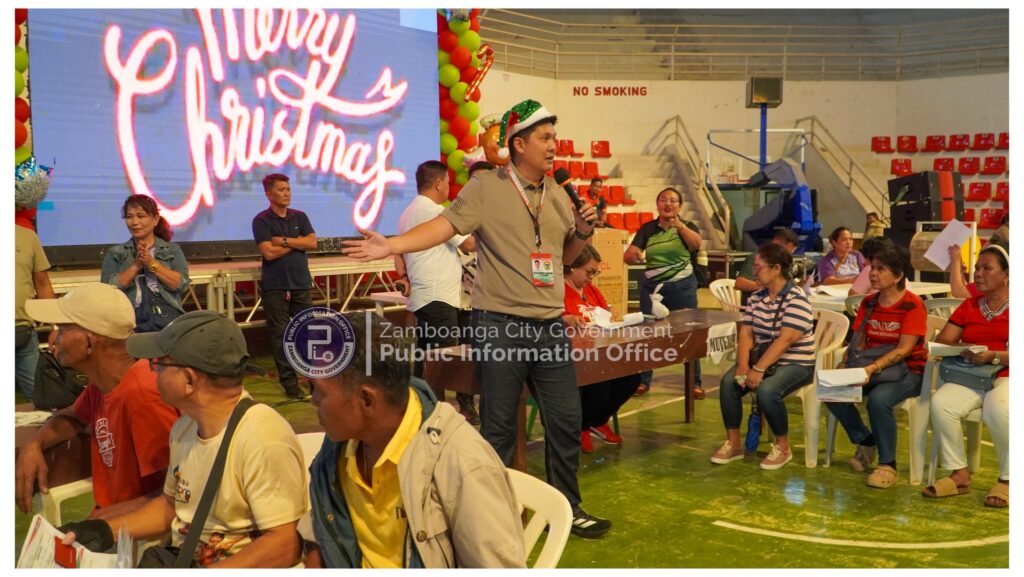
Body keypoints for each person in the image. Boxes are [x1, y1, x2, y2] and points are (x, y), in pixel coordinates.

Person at [343, 99, 611, 539]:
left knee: (565, 420)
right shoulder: (486, 186)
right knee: (499, 427)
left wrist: (583, 231)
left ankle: (568, 505)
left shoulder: (560, 193)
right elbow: (445, 227)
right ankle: (491, 512)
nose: (553, 146)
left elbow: (563, 258)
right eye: (544, 138)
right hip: (500, 323)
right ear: (518, 144)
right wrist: (392, 245)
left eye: (554, 138)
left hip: (549, 326)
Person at [60, 311, 308, 567]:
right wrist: (103, 530)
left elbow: (285, 544)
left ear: (188, 380)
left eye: (158, 364)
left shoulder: (261, 437)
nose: (152, 372)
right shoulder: (186, 426)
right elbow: (172, 505)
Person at [299, 313, 525, 568]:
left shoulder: (463, 465)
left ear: (367, 401)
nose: (313, 401)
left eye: (318, 390)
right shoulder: (339, 446)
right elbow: (325, 522)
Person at [17, 283, 177, 520]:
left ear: (90, 342)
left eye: (62, 329)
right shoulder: (103, 384)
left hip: (134, 531)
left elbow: (175, 498)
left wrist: (98, 526)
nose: (55, 340)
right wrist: (34, 444)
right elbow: (72, 416)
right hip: (117, 520)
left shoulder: (143, 396)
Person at [825, 246, 927, 489]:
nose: (872, 273)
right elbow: (858, 340)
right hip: (870, 366)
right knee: (830, 389)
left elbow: (904, 349)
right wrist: (845, 364)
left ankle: (888, 464)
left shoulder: (913, 305)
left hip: (908, 371)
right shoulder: (869, 302)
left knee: (879, 401)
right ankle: (866, 440)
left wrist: (871, 369)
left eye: (881, 269)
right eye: (872, 267)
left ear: (898, 275)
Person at [710, 243, 816, 470]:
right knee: (729, 383)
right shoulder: (756, 297)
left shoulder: (796, 298)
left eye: (758, 267)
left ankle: (782, 446)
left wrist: (758, 369)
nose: (754, 272)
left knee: (768, 391)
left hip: (796, 363)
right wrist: (742, 366)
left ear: (776, 269)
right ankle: (734, 443)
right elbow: (746, 333)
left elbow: (786, 339)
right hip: (764, 360)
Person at [922, 244, 1009, 507]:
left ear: (1006, 275)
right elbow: (945, 340)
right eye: (977, 268)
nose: (978, 274)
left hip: (1008, 374)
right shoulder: (969, 305)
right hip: (973, 374)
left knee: (998, 409)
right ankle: (959, 474)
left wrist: (994, 356)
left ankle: (1009, 478)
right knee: (942, 403)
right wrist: (964, 348)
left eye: (987, 268)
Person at [393, 160, 479, 423]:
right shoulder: (435, 211)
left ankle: (419, 413)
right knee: (442, 363)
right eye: (448, 183)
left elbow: (400, 252)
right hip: (438, 296)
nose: (449, 188)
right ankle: (436, 419)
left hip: (426, 295)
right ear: (439, 183)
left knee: (426, 360)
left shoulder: (408, 212)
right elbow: (469, 244)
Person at [623, 187, 703, 397]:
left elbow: (696, 244)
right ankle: (642, 381)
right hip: (653, 290)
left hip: (683, 288)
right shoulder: (648, 229)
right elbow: (628, 257)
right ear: (657, 204)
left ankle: (694, 382)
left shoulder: (688, 226)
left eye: (673, 200)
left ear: (680, 206)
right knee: (647, 336)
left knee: (689, 335)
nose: (668, 204)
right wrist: (634, 254)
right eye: (663, 200)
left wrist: (680, 226)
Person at [562, 245, 640, 453]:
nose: (592, 277)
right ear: (572, 267)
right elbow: (546, 320)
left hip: (599, 352)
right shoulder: (558, 292)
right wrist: (566, 319)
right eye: (589, 272)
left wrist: (610, 317)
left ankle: (598, 421)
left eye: (595, 273)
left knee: (631, 378)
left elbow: (604, 318)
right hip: (571, 357)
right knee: (600, 384)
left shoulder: (592, 291)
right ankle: (582, 427)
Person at [252, 173, 318, 399]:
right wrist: (298, 243)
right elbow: (269, 253)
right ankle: (291, 385)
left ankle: (316, 383)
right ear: (268, 194)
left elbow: (312, 242)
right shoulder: (262, 220)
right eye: (281, 190)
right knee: (280, 336)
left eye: (288, 189)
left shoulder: (300, 216)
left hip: (301, 283)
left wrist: (285, 240)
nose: (286, 193)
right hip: (276, 286)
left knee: (308, 333)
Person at [101, 195, 190, 333]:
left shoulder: (172, 250)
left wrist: (151, 264)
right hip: (130, 317)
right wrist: (136, 265)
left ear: (155, 219)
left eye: (141, 216)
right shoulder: (116, 253)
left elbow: (181, 285)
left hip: (166, 315)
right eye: (129, 217)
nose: (134, 222)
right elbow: (108, 289)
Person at [15, 223, 55, 402]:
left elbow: (43, 284)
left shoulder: (28, 237)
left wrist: (55, 327)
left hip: (23, 332)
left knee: (40, 399)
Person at [734, 228, 799, 303]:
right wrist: (767, 286)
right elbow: (739, 283)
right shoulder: (758, 258)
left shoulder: (783, 262)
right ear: (776, 242)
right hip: (755, 303)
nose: (787, 257)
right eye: (786, 252)